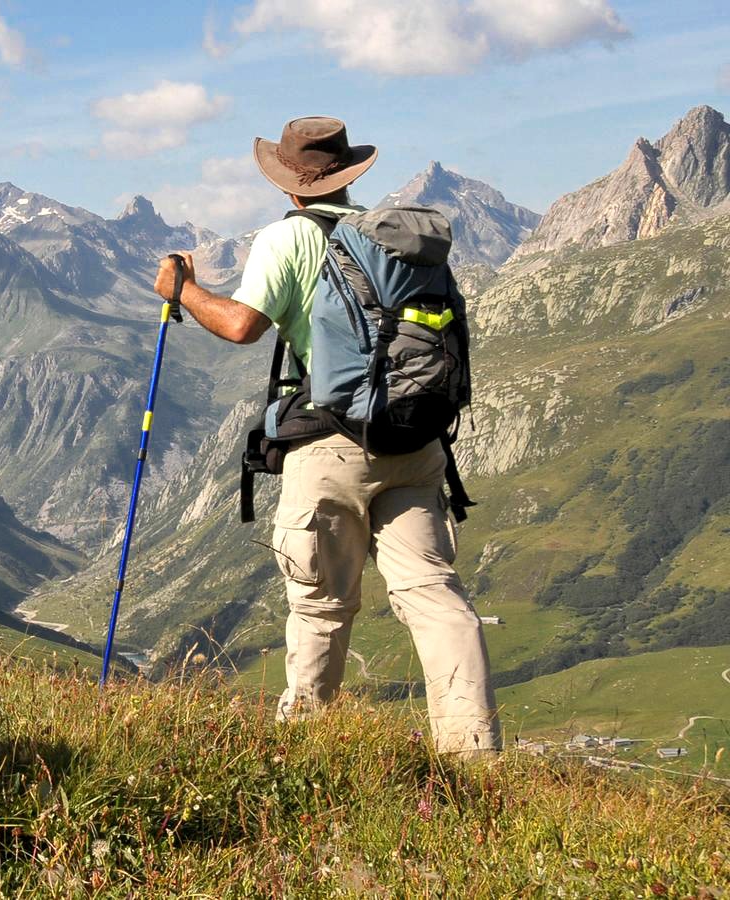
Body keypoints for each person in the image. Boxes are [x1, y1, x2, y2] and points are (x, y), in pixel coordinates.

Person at [152, 116, 501, 759]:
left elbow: (240, 326)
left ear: (288, 185)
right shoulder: (386, 236)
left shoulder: (288, 240)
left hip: (332, 446)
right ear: (347, 176)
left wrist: (183, 289)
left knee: (321, 608)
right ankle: (474, 753)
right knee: (435, 595)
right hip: (416, 442)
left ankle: (304, 757)